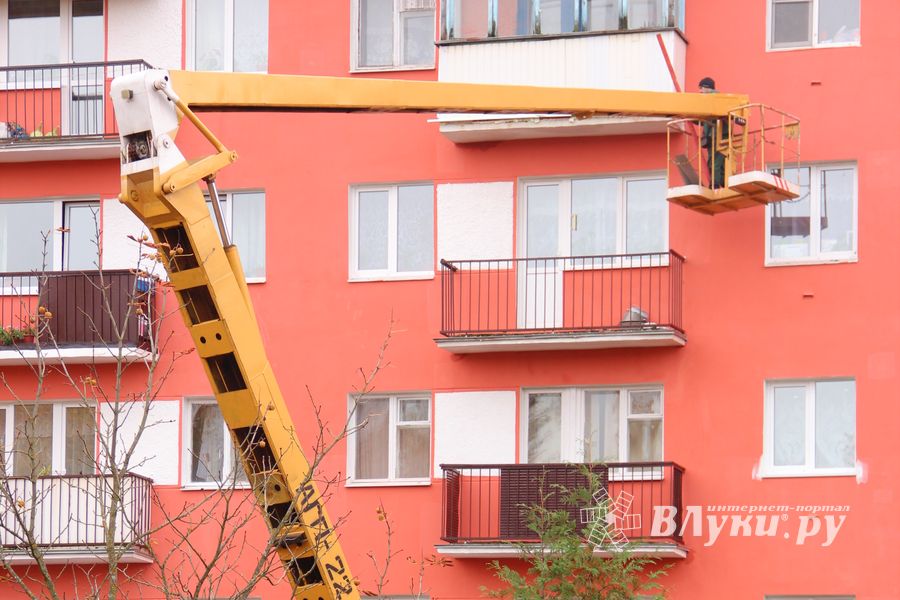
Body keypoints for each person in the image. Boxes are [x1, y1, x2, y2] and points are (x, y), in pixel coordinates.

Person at [698, 77, 728, 189]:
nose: (700, 91)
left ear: (708, 88)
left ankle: (715, 184)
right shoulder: (711, 101)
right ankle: (723, 183)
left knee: (715, 162)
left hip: (718, 136)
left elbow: (716, 118)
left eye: (701, 88)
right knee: (718, 162)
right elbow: (706, 120)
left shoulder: (715, 99)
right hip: (713, 137)